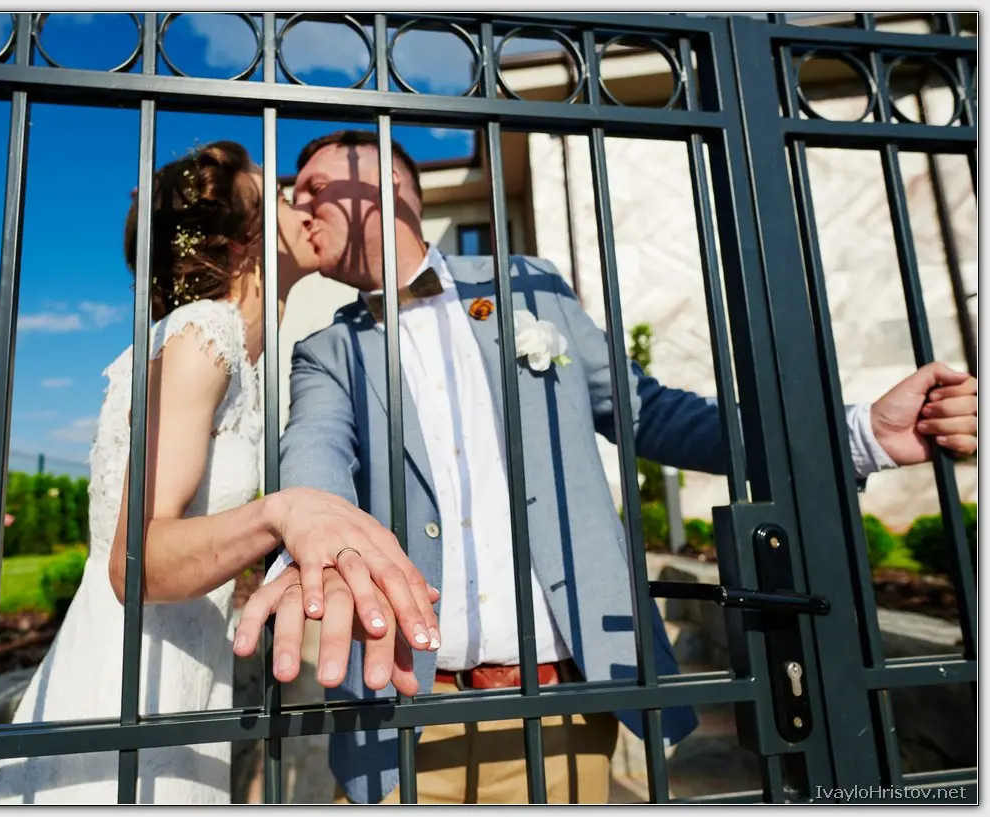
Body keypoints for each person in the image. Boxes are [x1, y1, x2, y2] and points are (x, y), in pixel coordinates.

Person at [234, 129, 979, 804]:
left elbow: (652, 413)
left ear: (387, 187)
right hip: (403, 712)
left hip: (561, 706)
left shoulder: (527, 286)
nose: (299, 210)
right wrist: (310, 536)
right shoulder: (325, 349)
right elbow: (315, 455)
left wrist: (854, 433)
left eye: (314, 189)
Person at [0, 141, 439, 805]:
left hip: (186, 665)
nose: (303, 207)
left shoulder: (234, 354)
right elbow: (135, 559)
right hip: (129, 676)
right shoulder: (202, 336)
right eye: (280, 198)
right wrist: (276, 513)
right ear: (240, 243)